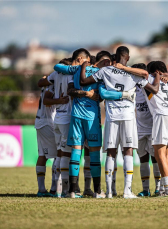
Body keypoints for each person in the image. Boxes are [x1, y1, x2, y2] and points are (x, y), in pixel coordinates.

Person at [80, 46, 160, 198]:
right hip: (128, 116)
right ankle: (127, 191)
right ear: (128, 58)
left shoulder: (106, 71)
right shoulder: (133, 75)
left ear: (115, 57)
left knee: (111, 152)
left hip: (112, 116)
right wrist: (158, 77)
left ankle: (110, 191)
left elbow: (83, 81)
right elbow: (154, 90)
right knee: (128, 151)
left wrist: (84, 65)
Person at [53, 50, 135, 198]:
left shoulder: (77, 69)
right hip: (92, 117)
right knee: (94, 154)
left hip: (76, 115)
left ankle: (72, 191)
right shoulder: (102, 72)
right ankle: (97, 191)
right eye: (108, 62)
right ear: (104, 62)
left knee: (75, 153)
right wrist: (124, 95)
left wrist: (81, 65)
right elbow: (103, 94)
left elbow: (57, 67)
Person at [38, 48, 91, 198]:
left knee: (60, 155)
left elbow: (43, 82)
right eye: (86, 61)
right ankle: (66, 190)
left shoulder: (57, 73)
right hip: (68, 118)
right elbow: (71, 92)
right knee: (66, 155)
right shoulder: (72, 74)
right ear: (80, 60)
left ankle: (57, 189)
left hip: (57, 118)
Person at [142, 61, 168, 198]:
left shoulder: (150, 79)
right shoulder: (167, 82)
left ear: (153, 71)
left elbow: (150, 87)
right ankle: (165, 188)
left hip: (161, 115)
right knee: (166, 153)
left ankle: (167, 190)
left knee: (159, 154)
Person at [34, 77, 58, 197]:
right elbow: (47, 101)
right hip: (47, 122)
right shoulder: (54, 83)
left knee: (42, 156)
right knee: (59, 154)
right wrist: (61, 101)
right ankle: (54, 189)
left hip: (40, 121)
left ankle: (42, 189)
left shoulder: (48, 81)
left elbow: (40, 82)